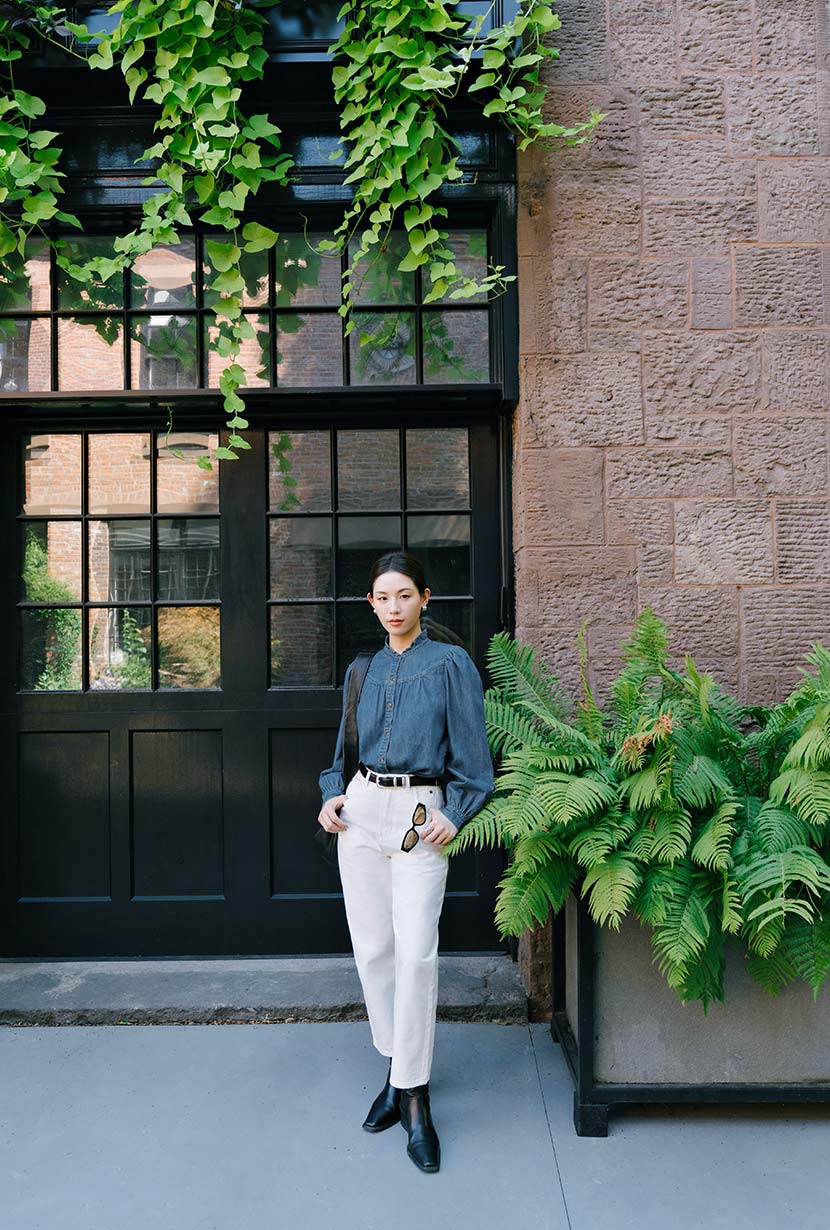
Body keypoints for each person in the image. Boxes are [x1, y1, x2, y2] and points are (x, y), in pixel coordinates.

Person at [317, 551, 494, 1174]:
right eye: (382, 599)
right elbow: (342, 749)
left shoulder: (450, 665)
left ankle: (414, 1096)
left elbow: (474, 757)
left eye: (404, 596)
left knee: (417, 951)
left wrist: (458, 810)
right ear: (372, 604)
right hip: (362, 812)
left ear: (425, 598)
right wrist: (332, 794)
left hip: (422, 815)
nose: (393, 608)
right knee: (373, 949)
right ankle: (397, 1070)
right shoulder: (361, 670)